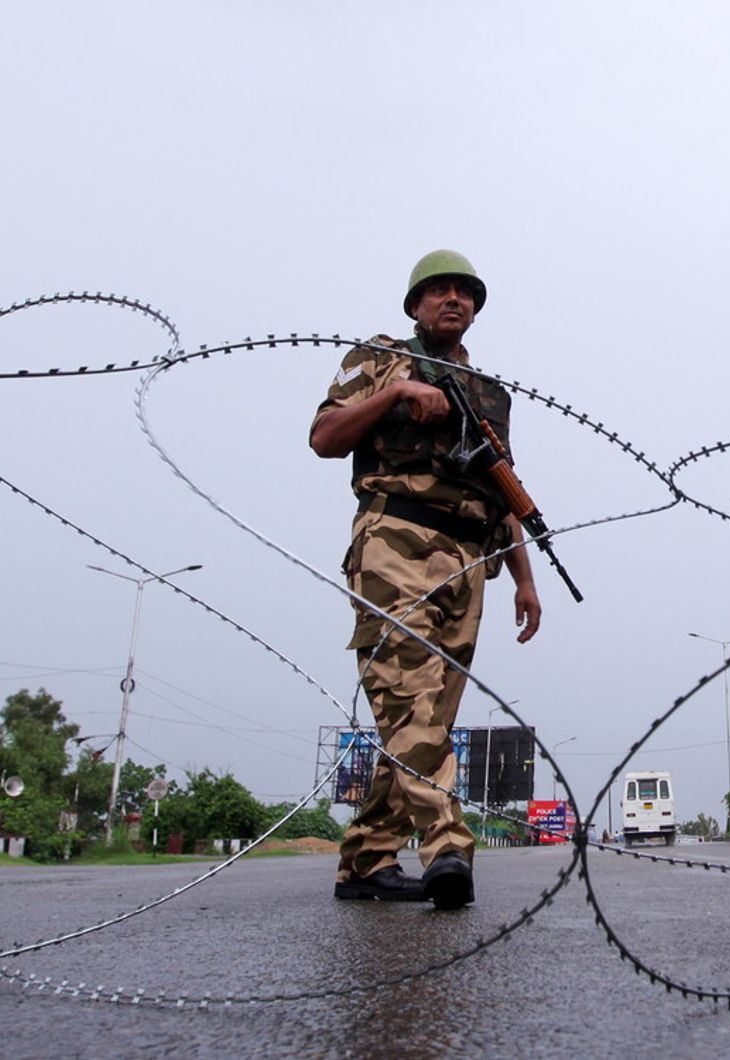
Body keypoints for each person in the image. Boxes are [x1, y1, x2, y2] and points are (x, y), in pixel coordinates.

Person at [311, 249, 542, 909]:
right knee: (411, 700)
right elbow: (326, 437)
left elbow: (504, 489)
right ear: (415, 305)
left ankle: (365, 863)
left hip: (469, 562)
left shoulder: (486, 392)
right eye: (439, 291)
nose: (454, 300)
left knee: (425, 719)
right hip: (395, 543)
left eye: (465, 293)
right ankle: (447, 848)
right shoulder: (380, 358)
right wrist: (396, 394)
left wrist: (524, 579)